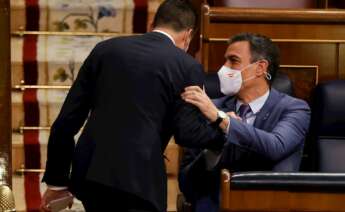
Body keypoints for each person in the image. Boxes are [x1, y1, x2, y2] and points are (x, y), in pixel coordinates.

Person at [40, 1, 227, 212]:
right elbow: (187, 134)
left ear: (151, 24)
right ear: (188, 34)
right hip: (140, 180)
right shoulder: (187, 66)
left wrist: (57, 182)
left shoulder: (105, 49)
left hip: (92, 173)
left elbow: (67, 120)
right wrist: (225, 129)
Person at [178, 33, 311, 212]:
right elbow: (187, 184)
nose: (223, 69)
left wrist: (222, 121)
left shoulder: (294, 108)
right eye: (225, 61)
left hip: (269, 206)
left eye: (233, 61)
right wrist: (213, 149)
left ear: (260, 67)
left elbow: (275, 146)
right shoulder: (208, 109)